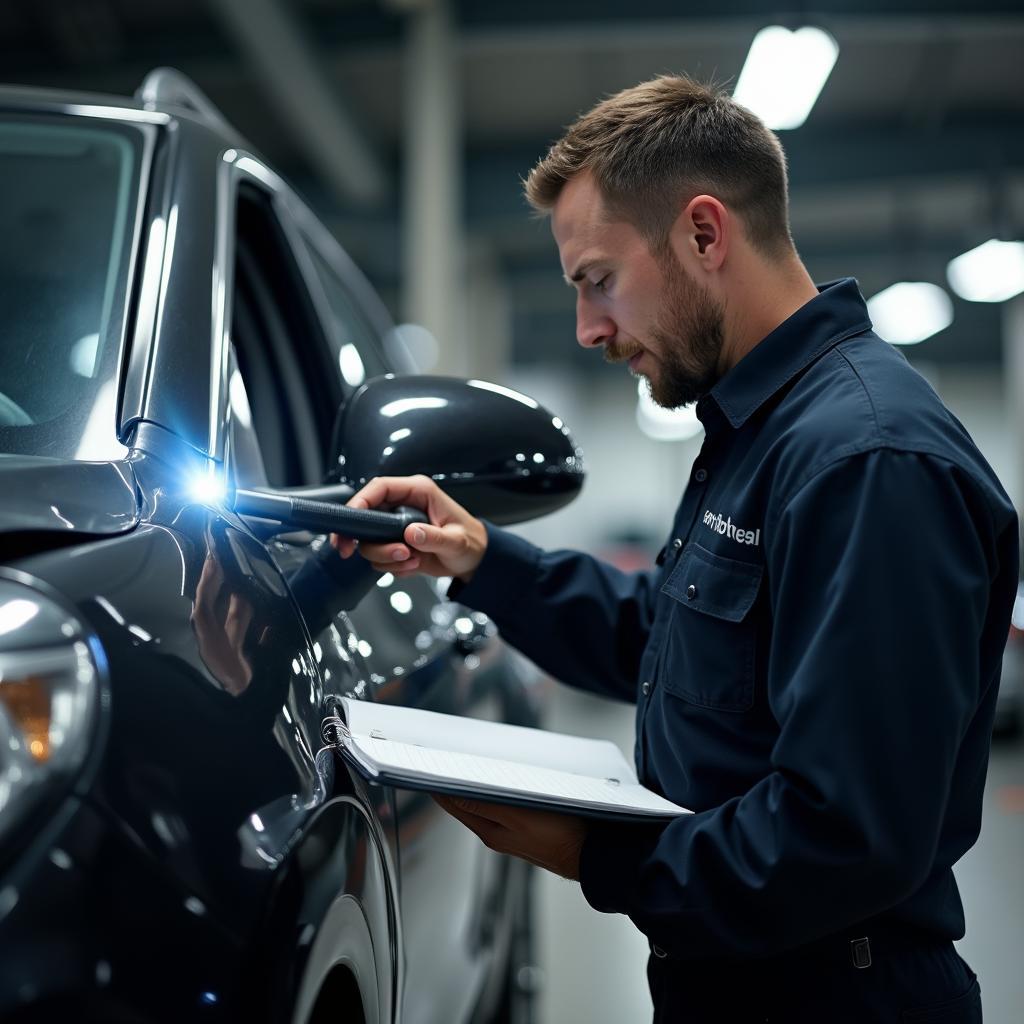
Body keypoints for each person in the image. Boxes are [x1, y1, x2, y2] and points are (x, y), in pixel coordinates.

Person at [332, 76, 1018, 1022]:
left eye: (598, 280)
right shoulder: (759, 431)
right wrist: (483, 559)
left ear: (704, 234)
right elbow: (665, 639)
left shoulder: (866, 459)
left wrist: (594, 853)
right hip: (751, 976)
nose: (589, 329)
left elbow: (847, 831)